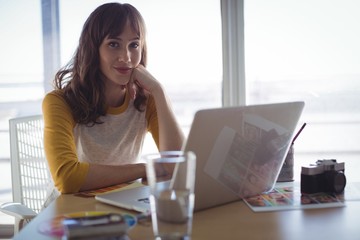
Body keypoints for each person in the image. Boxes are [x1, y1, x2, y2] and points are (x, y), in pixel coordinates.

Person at [42, 2, 184, 195]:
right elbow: (67, 178)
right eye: (113, 44)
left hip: (122, 205)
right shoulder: (59, 102)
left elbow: (179, 165)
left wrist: (159, 91)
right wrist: (147, 168)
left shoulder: (146, 100)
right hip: (70, 211)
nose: (126, 57)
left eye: (134, 45)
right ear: (93, 49)